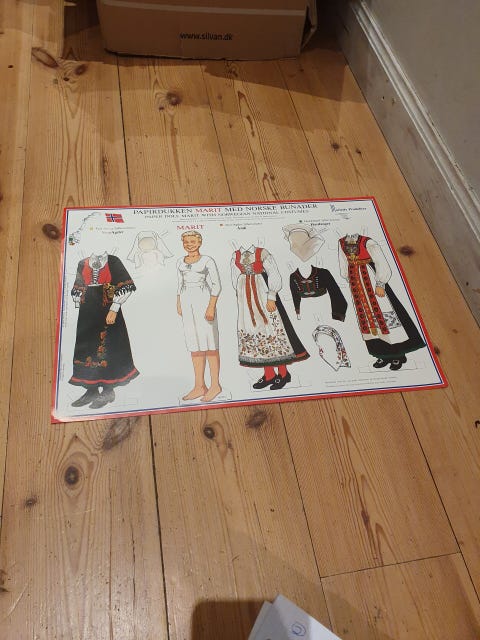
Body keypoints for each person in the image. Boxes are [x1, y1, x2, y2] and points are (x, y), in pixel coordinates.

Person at [231, 245, 309, 390]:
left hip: (263, 292)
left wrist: (272, 296)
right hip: (246, 298)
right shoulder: (235, 255)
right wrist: (241, 297)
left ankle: (283, 373)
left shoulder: (262, 253)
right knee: (256, 332)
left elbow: (273, 273)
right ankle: (269, 375)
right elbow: (234, 278)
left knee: (273, 330)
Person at [70, 252, 139, 408]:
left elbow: (126, 286)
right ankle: (91, 390)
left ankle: (108, 391)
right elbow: (78, 288)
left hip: (107, 307)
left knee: (108, 346)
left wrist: (114, 308)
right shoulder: (82, 263)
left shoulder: (113, 261)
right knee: (87, 348)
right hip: (88, 310)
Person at [177, 232, 222, 402]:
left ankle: (215, 385)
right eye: (186, 241)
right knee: (194, 344)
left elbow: (217, 285)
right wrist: (179, 302)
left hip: (203, 300)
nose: (189, 244)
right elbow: (179, 283)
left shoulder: (207, 260)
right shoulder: (180, 262)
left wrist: (211, 306)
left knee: (210, 343)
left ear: (199, 242)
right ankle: (199, 386)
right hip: (187, 301)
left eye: (192, 241)